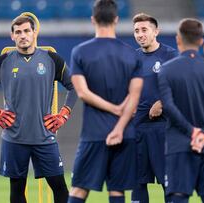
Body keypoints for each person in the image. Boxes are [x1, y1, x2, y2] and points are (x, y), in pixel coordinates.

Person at [0, 16, 77, 203]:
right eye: (18, 32)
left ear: (35, 33)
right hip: (14, 138)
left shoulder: (51, 59)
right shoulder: (2, 62)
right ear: (12, 36)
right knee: (17, 190)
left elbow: (75, 86)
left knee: (59, 188)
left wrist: (64, 113)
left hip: (44, 136)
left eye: (27, 31)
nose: (23, 35)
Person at [68, 1, 143, 203]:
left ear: (93, 19)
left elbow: (82, 93)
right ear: (116, 20)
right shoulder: (131, 54)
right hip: (125, 134)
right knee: (117, 191)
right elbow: (134, 96)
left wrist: (111, 108)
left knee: (78, 189)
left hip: (94, 133)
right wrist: (119, 127)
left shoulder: (80, 52)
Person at [158, 18, 204, 203]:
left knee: (179, 197)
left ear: (178, 39)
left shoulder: (167, 70)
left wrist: (191, 131)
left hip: (178, 146)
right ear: (200, 41)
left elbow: (168, 105)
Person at [131, 13, 178, 203]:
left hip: (162, 129)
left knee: (167, 181)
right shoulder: (131, 59)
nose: (140, 34)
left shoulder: (170, 56)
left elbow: (181, 88)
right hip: (136, 130)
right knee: (138, 182)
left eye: (144, 30)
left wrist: (162, 102)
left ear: (156, 31)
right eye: (136, 31)